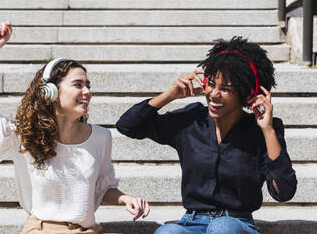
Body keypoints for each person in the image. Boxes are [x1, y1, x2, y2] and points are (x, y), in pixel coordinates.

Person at [0, 21, 150, 234]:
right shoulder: (22, 135)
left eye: (88, 85)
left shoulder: (101, 137)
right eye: (78, 85)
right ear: (50, 92)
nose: (87, 92)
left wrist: (125, 198)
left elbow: (102, 188)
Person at [115, 37, 297, 234]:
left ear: (247, 93)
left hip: (236, 224)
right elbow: (127, 126)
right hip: (191, 222)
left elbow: (284, 192)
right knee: (168, 232)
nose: (213, 94)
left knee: (222, 228)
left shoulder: (263, 130)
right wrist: (169, 95)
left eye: (225, 89)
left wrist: (267, 129)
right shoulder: (191, 121)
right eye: (211, 84)